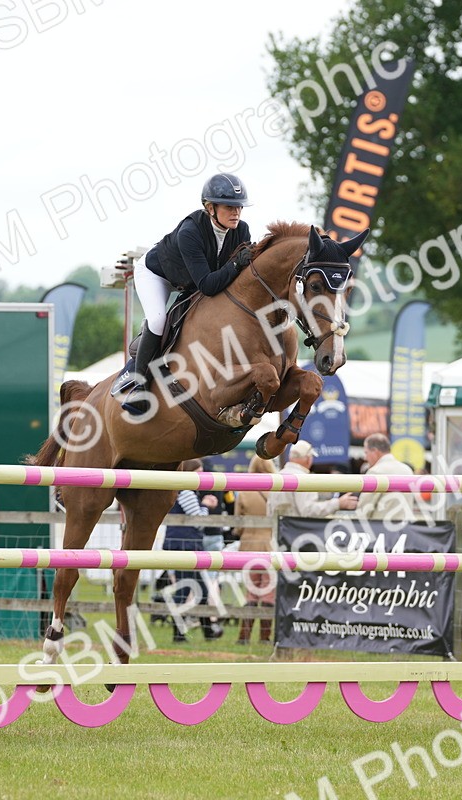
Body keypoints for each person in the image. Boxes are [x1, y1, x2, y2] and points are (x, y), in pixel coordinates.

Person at [115, 172, 255, 414]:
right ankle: (139, 383)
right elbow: (209, 286)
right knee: (158, 320)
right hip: (158, 274)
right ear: (210, 207)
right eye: (229, 206)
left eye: (239, 207)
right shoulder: (190, 231)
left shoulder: (242, 231)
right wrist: (235, 265)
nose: (236, 212)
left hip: (192, 280)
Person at [160, 459, 223, 642]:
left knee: (197, 589)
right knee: (188, 589)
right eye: (199, 472)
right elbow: (198, 518)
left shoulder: (184, 491)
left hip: (185, 545)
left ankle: (203, 630)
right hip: (184, 546)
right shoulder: (187, 492)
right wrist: (206, 505)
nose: (202, 476)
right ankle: (184, 632)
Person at [233, 455, 278, 645]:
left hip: (249, 545)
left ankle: (244, 636)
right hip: (270, 544)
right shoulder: (276, 491)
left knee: (250, 592)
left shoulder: (244, 491)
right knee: (268, 592)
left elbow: (237, 523)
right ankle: (265, 637)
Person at [265, 441, 359, 517]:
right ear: (307, 459)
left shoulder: (278, 476)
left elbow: (269, 510)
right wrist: (337, 503)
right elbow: (308, 511)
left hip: (278, 533)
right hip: (296, 534)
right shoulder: (304, 479)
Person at [356, 433, 421, 523]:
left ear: (375, 451)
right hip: (406, 530)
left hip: (381, 530)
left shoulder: (375, 471)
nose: (365, 457)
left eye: (366, 453)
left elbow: (364, 509)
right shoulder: (407, 470)